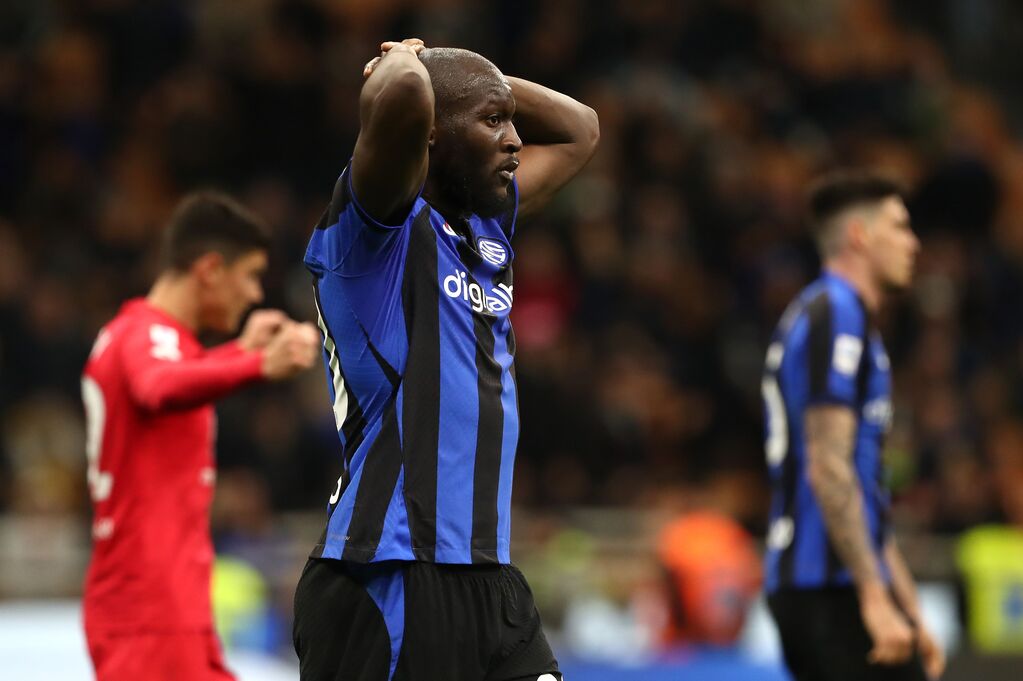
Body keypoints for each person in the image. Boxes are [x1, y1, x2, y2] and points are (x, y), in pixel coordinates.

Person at [293, 38, 598, 681]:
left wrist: (473, 79)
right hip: (389, 571)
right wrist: (408, 62)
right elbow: (405, 92)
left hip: (489, 578)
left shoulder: (485, 229)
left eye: (511, 120)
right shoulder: (372, 233)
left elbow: (580, 130)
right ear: (430, 134)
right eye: (493, 121)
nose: (515, 140)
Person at [80, 191, 321, 681]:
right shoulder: (148, 334)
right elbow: (158, 386)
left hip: (166, 606)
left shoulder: (140, 337)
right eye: (250, 274)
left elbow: (170, 376)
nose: (254, 294)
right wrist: (257, 364)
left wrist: (240, 351)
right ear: (210, 269)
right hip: (151, 610)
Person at [761, 172, 945, 681]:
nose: (913, 243)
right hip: (827, 587)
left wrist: (907, 605)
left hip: (836, 584)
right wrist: (874, 596)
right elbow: (828, 467)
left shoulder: (847, 321)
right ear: (859, 236)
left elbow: (862, 487)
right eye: (899, 227)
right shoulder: (835, 314)